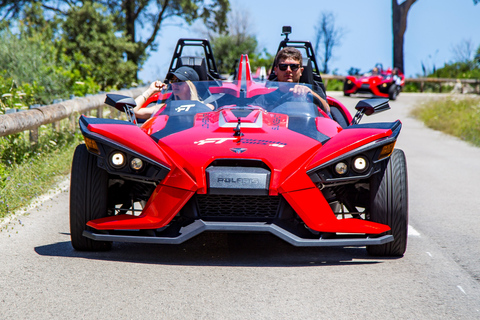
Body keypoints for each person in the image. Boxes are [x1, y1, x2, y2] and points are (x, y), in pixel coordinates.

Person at [256, 47, 330, 115]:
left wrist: (310, 93)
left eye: (293, 67)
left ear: (301, 71)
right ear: (276, 70)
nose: (288, 70)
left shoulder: (313, 92)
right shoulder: (265, 98)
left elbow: (327, 111)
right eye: (283, 66)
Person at [133, 66, 213, 119]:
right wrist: (150, 90)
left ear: (191, 85)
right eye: (172, 81)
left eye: (178, 81)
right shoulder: (164, 108)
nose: (174, 84)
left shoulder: (206, 108)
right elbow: (134, 110)